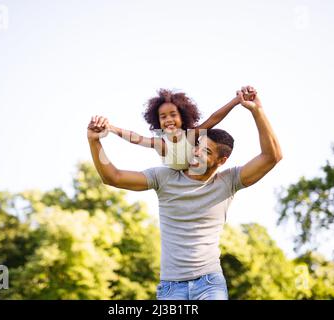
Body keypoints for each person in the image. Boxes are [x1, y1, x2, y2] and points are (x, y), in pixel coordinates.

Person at [87, 86, 282, 300]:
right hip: (171, 288)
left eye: (206, 151)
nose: (197, 152)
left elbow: (271, 156)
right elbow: (112, 177)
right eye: (198, 146)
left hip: (210, 284)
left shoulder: (229, 181)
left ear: (221, 161)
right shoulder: (165, 177)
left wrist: (257, 110)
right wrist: (94, 142)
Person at [105, 88, 255, 170]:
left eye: (173, 115)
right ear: (158, 121)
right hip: (175, 178)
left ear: (183, 117)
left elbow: (213, 119)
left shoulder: (191, 135)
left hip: (198, 173)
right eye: (163, 117)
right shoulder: (160, 144)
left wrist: (236, 101)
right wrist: (111, 128)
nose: (168, 120)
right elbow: (135, 138)